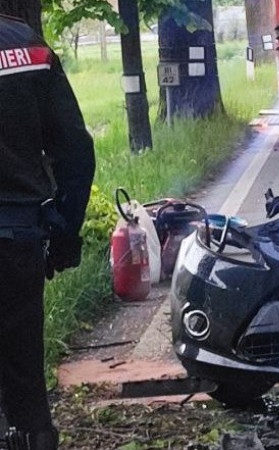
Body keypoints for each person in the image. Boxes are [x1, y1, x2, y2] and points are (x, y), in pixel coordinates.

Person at [0, 13, 95, 450]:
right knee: (24, 371)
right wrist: (65, 232)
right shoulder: (27, 46)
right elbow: (74, 149)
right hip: (17, 237)